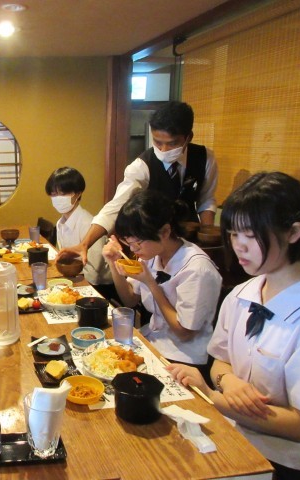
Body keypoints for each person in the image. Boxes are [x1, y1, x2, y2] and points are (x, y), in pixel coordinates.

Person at [168, 172, 300, 479]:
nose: (238, 246)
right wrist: (229, 382)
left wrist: (213, 396)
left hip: (281, 460)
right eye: (234, 234)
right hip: (229, 435)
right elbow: (220, 360)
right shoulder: (242, 293)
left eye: (250, 235)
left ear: (293, 232)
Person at [58, 100, 218, 266]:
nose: (163, 150)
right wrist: (85, 244)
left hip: (189, 242)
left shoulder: (205, 158)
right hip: (153, 243)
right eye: (157, 142)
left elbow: (206, 199)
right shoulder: (142, 166)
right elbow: (115, 206)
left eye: (172, 143)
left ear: (188, 137)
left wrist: (208, 238)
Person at [102, 189, 222, 377]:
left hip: (184, 359)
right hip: (153, 341)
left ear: (165, 231)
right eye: (128, 242)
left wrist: (151, 284)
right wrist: (113, 263)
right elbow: (130, 299)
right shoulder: (151, 254)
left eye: (137, 242)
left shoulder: (197, 269)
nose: (133, 249)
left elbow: (184, 333)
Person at [44, 167, 115, 300]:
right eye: (54, 194)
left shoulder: (89, 224)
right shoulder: (60, 223)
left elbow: (94, 274)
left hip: (99, 289)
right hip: (74, 279)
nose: (57, 198)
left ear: (78, 193)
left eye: (63, 194)